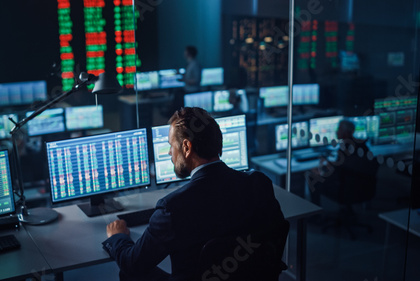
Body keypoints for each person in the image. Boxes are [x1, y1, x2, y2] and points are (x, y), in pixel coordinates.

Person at [102, 107, 285, 281]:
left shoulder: (172, 208)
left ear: (187, 147)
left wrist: (118, 237)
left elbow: (133, 263)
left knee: (130, 274)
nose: (169, 153)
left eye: (171, 145)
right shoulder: (258, 183)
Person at [309, 119, 374, 205]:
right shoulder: (362, 145)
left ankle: (315, 213)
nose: (337, 131)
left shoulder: (345, 148)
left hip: (344, 189)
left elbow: (337, 173)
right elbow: (346, 166)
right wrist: (330, 163)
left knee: (312, 176)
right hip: (360, 187)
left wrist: (319, 172)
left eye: (339, 129)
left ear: (346, 132)